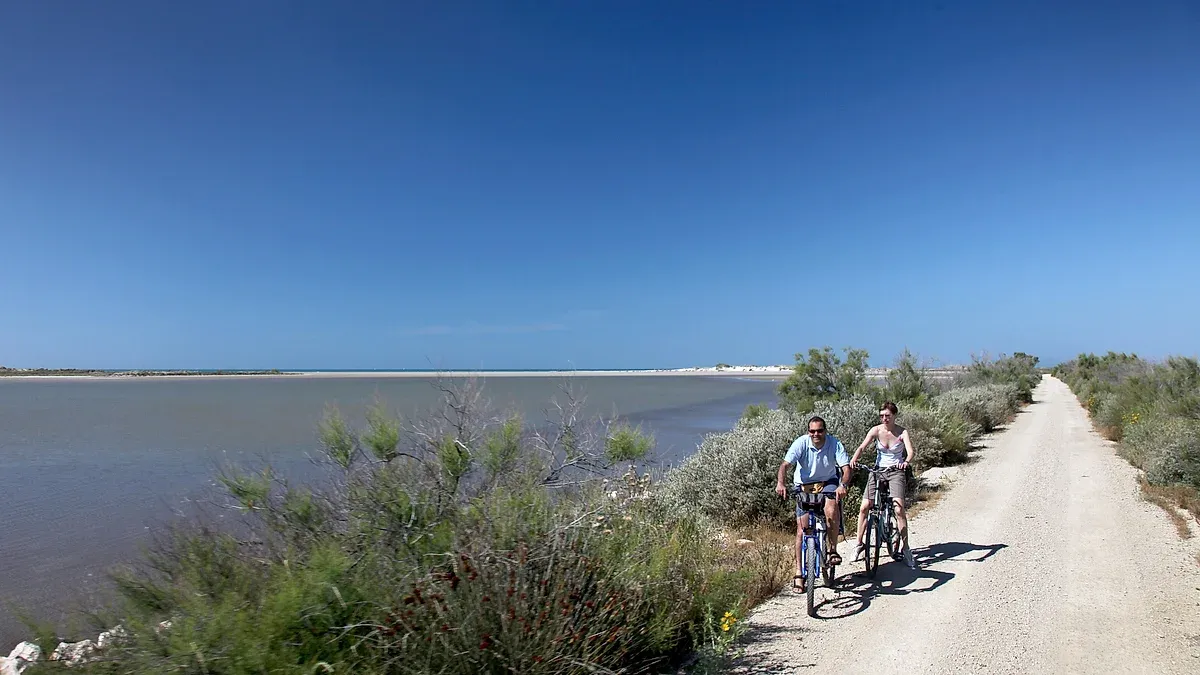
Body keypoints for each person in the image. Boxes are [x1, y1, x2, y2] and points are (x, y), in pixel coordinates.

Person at [775, 415, 851, 591]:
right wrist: (781, 483)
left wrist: (843, 485)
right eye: (812, 431)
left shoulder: (834, 443)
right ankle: (799, 573)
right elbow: (785, 465)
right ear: (808, 432)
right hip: (804, 485)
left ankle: (832, 551)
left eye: (820, 431)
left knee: (831, 510)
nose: (816, 434)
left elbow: (846, 468)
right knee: (801, 531)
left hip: (828, 482)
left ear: (825, 431)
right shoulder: (801, 443)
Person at [850, 401, 917, 568]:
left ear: (894, 415)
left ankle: (906, 548)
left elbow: (910, 451)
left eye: (888, 415)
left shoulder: (902, 432)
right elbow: (862, 446)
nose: (884, 419)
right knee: (865, 507)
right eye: (882, 416)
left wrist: (906, 462)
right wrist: (854, 459)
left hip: (895, 471)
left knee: (898, 508)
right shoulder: (876, 430)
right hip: (878, 470)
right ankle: (859, 544)